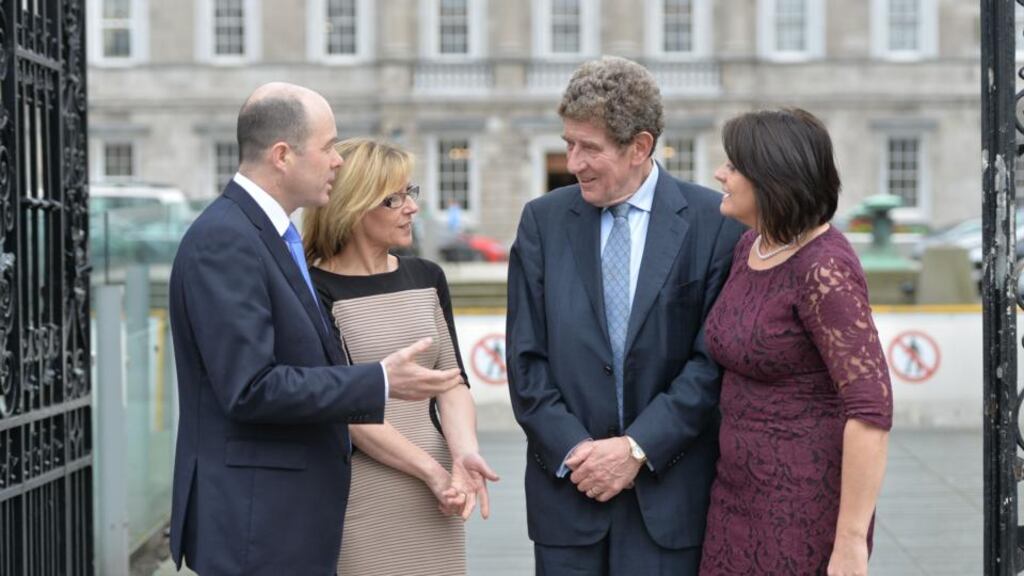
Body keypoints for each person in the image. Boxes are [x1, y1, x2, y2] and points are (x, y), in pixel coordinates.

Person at [167, 83, 463, 576]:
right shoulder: (225, 240)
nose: (338, 162)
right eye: (328, 148)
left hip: (286, 518)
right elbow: (251, 387)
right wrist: (380, 380)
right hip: (257, 524)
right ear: (283, 155)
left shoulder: (269, 235)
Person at [505, 56, 744, 575]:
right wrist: (576, 451)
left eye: (589, 147)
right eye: (569, 143)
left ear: (640, 146)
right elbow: (525, 362)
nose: (573, 162)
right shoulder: (542, 223)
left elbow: (711, 362)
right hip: (568, 499)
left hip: (669, 501)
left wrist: (637, 448)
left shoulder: (713, 224)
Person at [699, 108, 892, 576]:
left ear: (772, 178)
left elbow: (871, 411)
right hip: (736, 496)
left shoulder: (824, 268)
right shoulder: (751, 246)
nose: (720, 174)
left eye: (733, 166)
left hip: (802, 508)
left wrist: (849, 542)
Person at [303, 137, 498, 576]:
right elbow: (344, 408)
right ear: (352, 206)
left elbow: (453, 382)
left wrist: (463, 455)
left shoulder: (427, 276)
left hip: (442, 487)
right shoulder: (313, 290)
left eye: (411, 193)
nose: (411, 207)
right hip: (366, 488)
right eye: (394, 198)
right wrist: (430, 472)